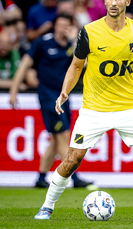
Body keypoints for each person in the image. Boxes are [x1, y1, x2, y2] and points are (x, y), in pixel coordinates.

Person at [34, 0, 133, 220]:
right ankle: (47, 206)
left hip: (128, 107)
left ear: (127, 1)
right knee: (72, 159)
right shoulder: (89, 31)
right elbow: (76, 66)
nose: (113, 2)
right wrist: (64, 92)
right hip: (94, 108)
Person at [9, 14, 94, 188]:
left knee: (55, 141)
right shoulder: (42, 43)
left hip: (64, 97)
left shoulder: (72, 46)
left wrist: (73, 41)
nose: (63, 28)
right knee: (63, 136)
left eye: (66, 25)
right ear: (54, 27)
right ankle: (75, 178)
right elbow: (24, 65)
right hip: (48, 97)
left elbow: (83, 64)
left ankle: (41, 178)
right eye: (60, 25)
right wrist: (13, 90)